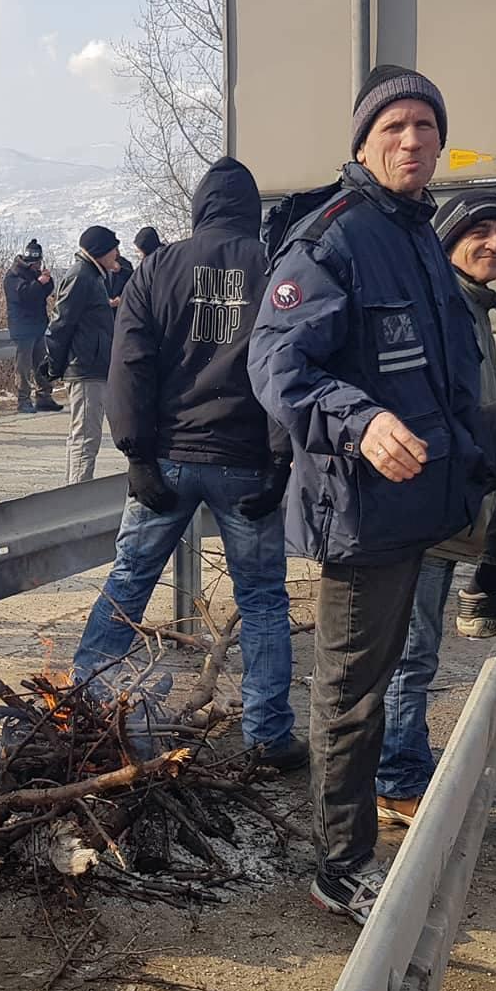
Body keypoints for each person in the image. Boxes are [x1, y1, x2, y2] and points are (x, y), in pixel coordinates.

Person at [249, 65, 496, 925]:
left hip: (442, 475)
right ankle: (341, 865)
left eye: (426, 128)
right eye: (395, 127)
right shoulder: (329, 238)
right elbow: (276, 365)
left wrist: (473, 448)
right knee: (351, 696)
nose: (412, 141)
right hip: (367, 510)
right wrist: (357, 421)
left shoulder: (418, 235)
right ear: (364, 140)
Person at [71, 158, 305, 770]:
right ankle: (268, 736)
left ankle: (85, 710)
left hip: (169, 461)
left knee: (128, 584)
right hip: (248, 464)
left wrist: (134, 455)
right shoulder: (277, 267)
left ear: (200, 207)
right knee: (261, 601)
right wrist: (282, 462)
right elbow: (287, 367)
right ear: (251, 210)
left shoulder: (157, 267)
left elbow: (131, 367)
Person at [371, 188, 496, 820]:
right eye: (478, 232)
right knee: (411, 649)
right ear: (447, 240)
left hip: (450, 502)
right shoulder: (442, 304)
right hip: (421, 506)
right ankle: (398, 775)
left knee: (415, 648)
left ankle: (399, 762)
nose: (495, 245)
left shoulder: (471, 304)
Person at [44, 225, 123, 483]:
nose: (117, 254)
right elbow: (61, 323)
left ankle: (72, 493)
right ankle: (77, 497)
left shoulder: (93, 275)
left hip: (93, 365)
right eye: (113, 248)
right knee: (86, 438)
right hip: (85, 368)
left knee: (83, 436)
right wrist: (54, 365)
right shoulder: (82, 276)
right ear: (100, 250)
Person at [2, 239, 59, 413]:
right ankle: (23, 399)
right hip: (22, 327)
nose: (37, 266)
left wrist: (47, 281)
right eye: (35, 263)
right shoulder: (13, 276)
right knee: (24, 366)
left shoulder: (36, 274)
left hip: (38, 326)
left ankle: (44, 397)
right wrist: (39, 283)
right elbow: (24, 295)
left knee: (42, 363)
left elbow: (44, 293)